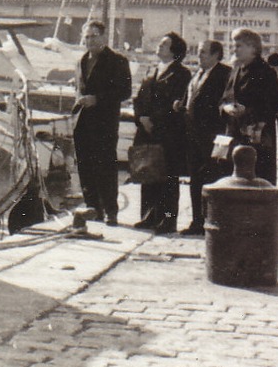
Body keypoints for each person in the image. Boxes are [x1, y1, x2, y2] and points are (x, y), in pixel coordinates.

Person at [73, 20, 132, 224]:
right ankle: (93, 208)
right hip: (82, 122)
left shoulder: (117, 61)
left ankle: (111, 211)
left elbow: (125, 92)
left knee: (105, 167)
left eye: (93, 36)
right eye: (86, 36)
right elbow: (80, 89)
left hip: (104, 123)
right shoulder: (81, 60)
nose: (89, 40)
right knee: (85, 167)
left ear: (103, 37)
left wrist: (97, 99)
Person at [132, 32, 190, 232]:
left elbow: (177, 104)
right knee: (148, 175)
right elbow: (138, 99)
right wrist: (141, 118)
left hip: (167, 134)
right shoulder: (151, 71)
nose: (159, 46)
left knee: (168, 179)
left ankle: (167, 219)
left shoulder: (181, 74)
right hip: (147, 132)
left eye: (164, 45)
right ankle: (148, 216)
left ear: (174, 51)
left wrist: (154, 121)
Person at [182, 38, 232, 236]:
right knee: (195, 179)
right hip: (193, 135)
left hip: (212, 136)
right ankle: (197, 221)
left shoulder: (224, 74)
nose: (198, 55)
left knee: (212, 178)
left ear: (215, 55)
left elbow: (225, 102)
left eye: (203, 52)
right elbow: (192, 97)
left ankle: (213, 220)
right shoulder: (198, 73)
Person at [221, 28, 278, 185]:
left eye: (239, 45)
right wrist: (226, 108)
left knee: (257, 182)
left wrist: (247, 110)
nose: (235, 49)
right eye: (234, 45)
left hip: (257, 138)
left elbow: (276, 105)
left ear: (253, 48)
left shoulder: (265, 71)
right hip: (234, 136)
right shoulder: (236, 71)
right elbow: (223, 99)